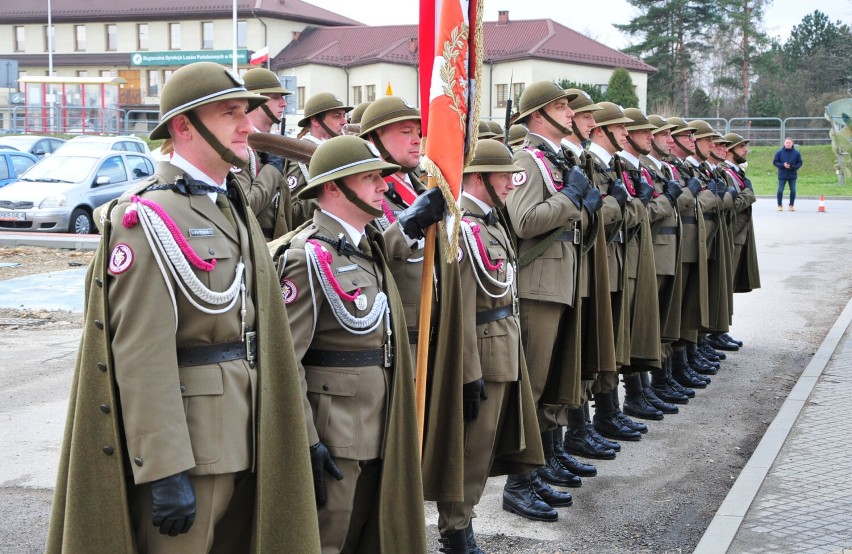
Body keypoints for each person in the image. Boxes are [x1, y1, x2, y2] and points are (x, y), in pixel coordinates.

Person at [46, 61, 320, 554]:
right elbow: (141, 351)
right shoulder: (147, 217)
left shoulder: (228, 203)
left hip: (249, 430)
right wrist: (166, 465)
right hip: (195, 447)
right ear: (183, 126)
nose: (246, 125)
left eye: (247, 111)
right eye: (229, 113)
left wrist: (295, 426)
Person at [271, 134, 428, 553]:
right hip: (334, 430)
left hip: (377, 424)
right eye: (370, 178)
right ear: (333, 187)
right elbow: (286, 361)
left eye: (381, 177)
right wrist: (306, 440)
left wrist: (410, 224)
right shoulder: (307, 257)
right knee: (328, 540)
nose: (383, 186)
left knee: (367, 536)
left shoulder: (363, 248)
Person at [435, 139, 545, 553]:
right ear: (479, 178)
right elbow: (460, 309)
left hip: (503, 347)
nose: (512, 184)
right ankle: (456, 533)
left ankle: (463, 525)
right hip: (482, 353)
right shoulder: (465, 229)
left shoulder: (491, 223)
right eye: (504, 176)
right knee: (471, 451)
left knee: (484, 449)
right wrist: (469, 372)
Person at [504, 81, 600, 522]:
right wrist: (569, 198)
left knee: (558, 378)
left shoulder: (559, 159)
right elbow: (525, 222)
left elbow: (570, 223)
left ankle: (543, 462)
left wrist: (584, 205)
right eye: (560, 106)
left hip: (563, 278)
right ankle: (518, 483)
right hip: (538, 284)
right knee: (535, 385)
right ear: (537, 115)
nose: (569, 112)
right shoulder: (527, 158)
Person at [234, 67, 294, 236]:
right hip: (254, 247)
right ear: (256, 102)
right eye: (275, 98)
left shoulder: (268, 145)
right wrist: (272, 170)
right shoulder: (240, 146)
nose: (284, 103)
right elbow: (246, 206)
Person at [773, 137, 803, 211]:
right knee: (780, 190)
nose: (788, 144)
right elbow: (775, 162)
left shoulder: (796, 153)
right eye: (787, 142)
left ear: (792, 143)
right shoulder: (779, 152)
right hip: (782, 174)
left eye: (790, 142)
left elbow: (800, 163)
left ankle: (791, 205)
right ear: (784, 143)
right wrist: (783, 165)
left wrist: (792, 167)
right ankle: (779, 205)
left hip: (792, 175)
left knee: (793, 190)